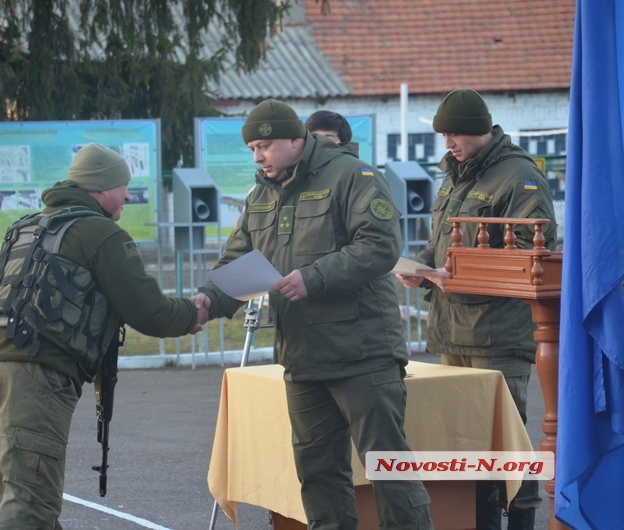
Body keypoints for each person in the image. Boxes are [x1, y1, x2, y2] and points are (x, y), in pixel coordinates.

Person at [193, 99, 434, 529]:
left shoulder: (352, 176)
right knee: (318, 476)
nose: (257, 156)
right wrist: (207, 300)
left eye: (264, 145)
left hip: (363, 354)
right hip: (303, 358)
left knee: (389, 471)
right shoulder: (261, 194)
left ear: (294, 140)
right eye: (252, 148)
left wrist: (314, 277)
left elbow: (379, 246)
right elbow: (235, 263)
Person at [0, 143, 208, 529]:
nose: (129, 196)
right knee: (29, 506)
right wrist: (194, 313)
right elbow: (148, 311)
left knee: (23, 495)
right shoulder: (100, 233)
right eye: (123, 186)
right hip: (38, 374)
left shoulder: (27, 225)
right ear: (100, 189)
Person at [395, 89, 557, 530]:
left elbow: (531, 254)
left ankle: (522, 519)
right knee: (465, 439)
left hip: (496, 334)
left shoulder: (519, 176)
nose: (447, 143)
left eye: (454, 134)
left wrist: (452, 268)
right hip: (452, 329)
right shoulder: (455, 174)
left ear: (480, 130)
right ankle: (479, 521)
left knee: (507, 441)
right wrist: (422, 266)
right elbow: (445, 241)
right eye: (444, 135)